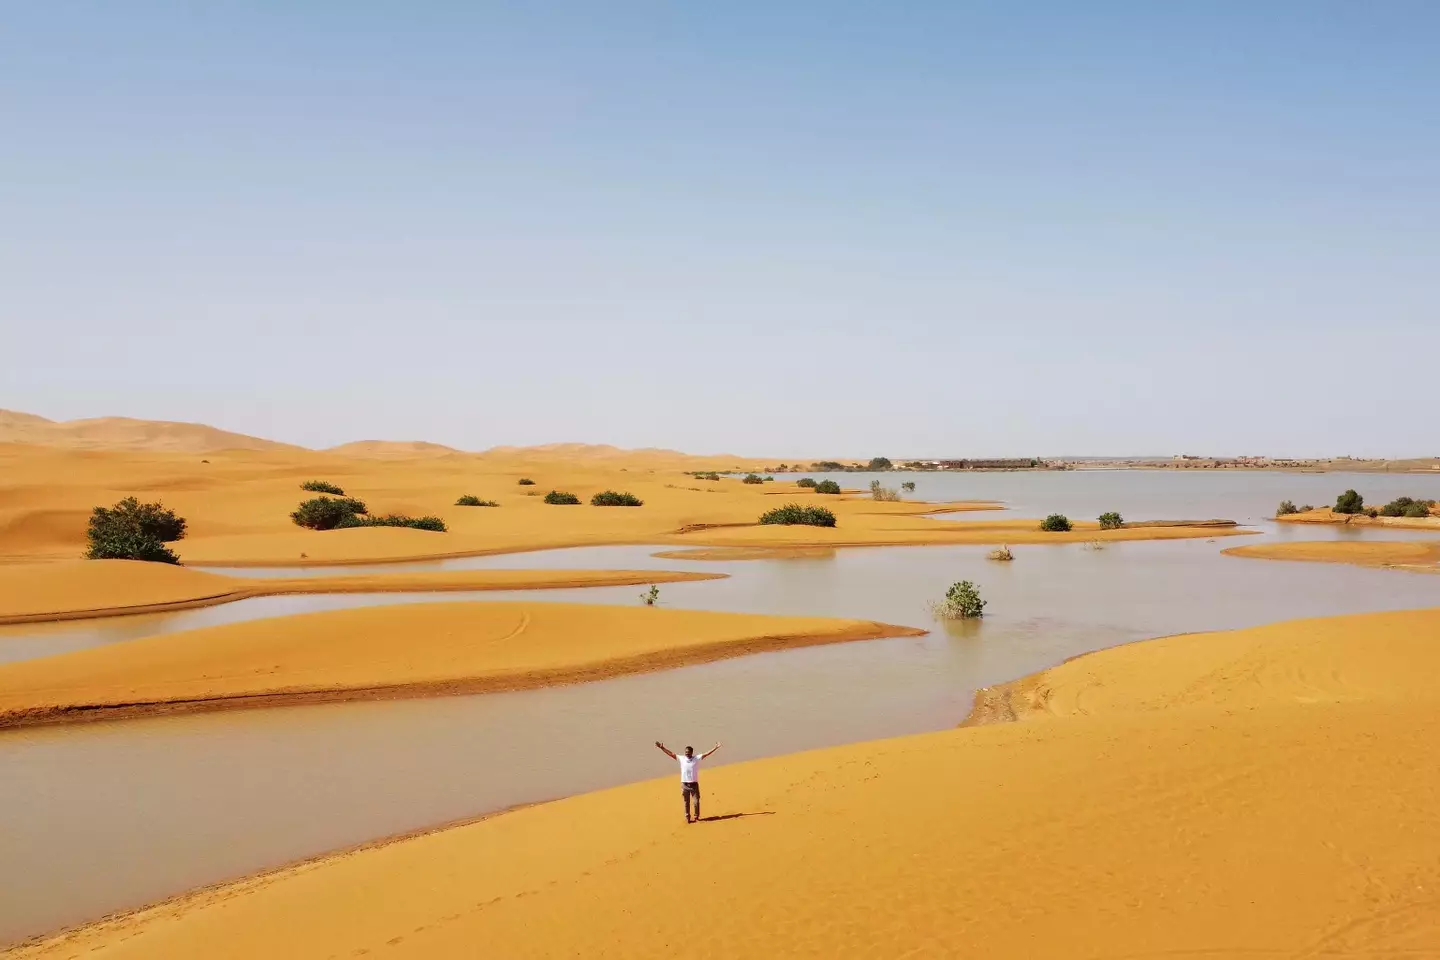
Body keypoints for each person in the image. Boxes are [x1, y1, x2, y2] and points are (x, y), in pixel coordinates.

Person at [655, 741, 721, 823]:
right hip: (685, 785)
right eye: (686, 752)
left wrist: (715, 748)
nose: (687, 754)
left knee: (696, 802)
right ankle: (687, 817)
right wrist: (662, 748)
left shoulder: (696, 758)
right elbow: (671, 754)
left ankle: (696, 816)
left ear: (692, 752)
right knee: (686, 802)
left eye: (688, 752)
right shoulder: (681, 758)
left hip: (694, 785)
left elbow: (706, 754)